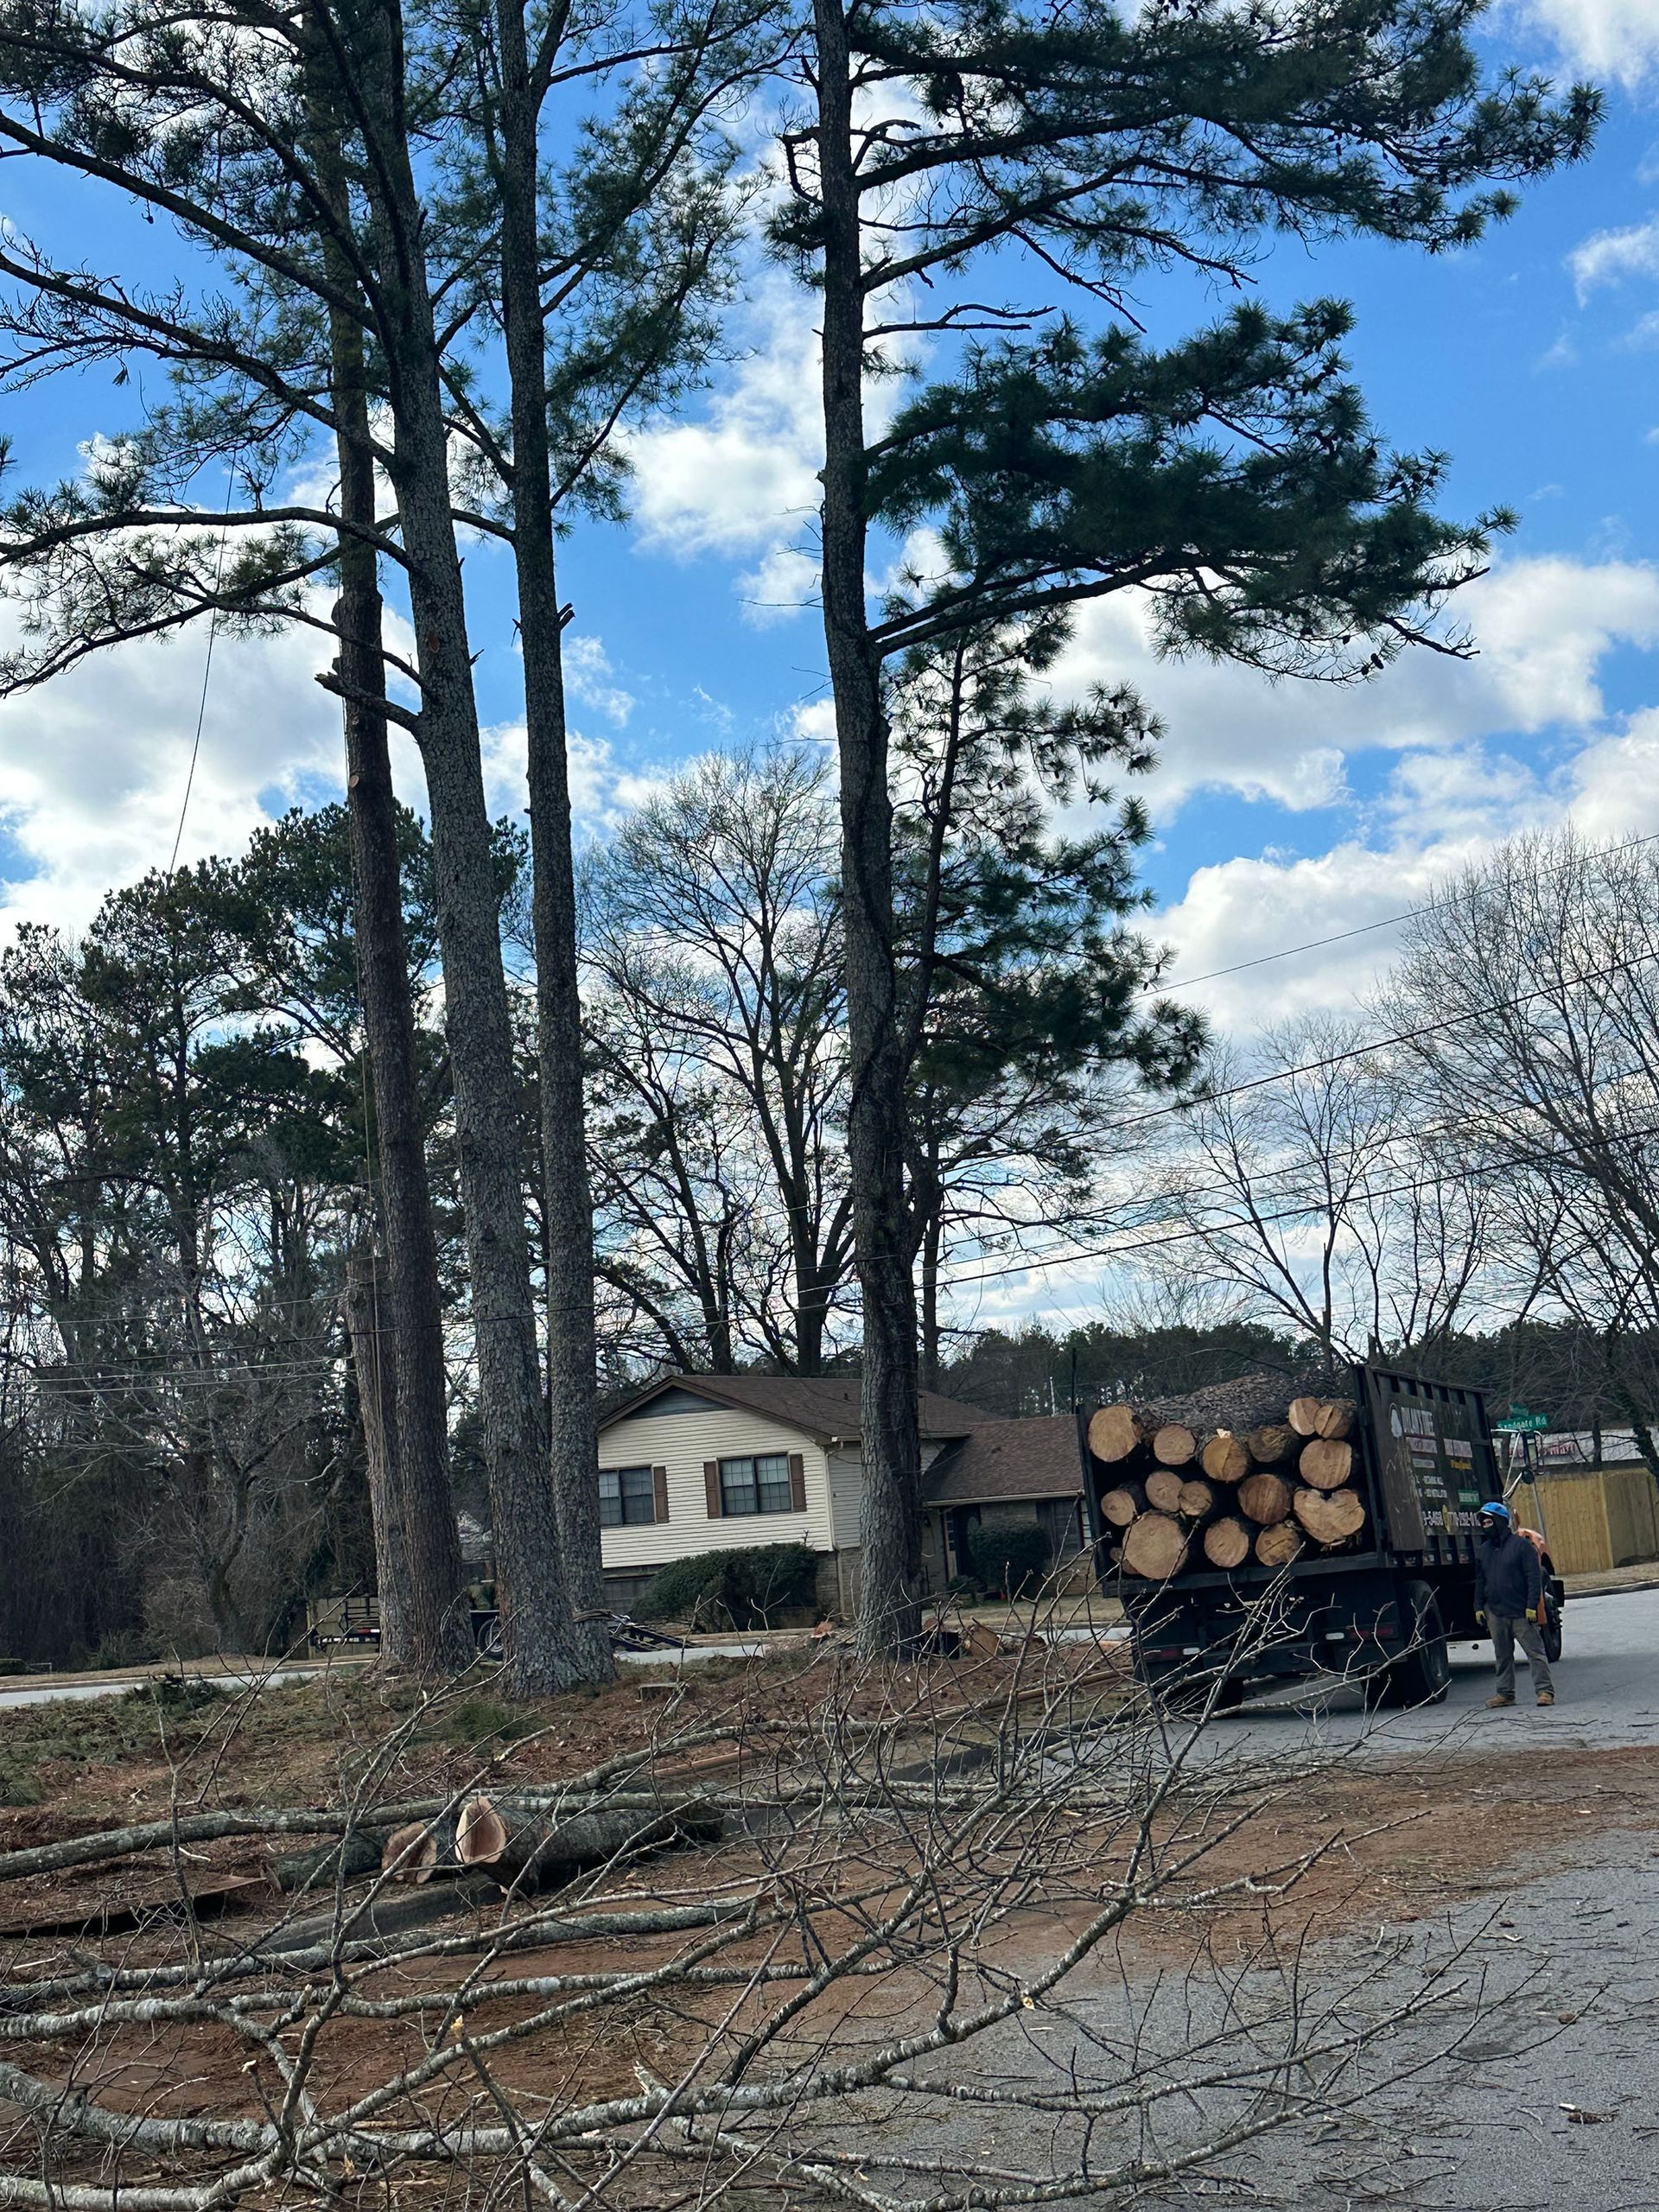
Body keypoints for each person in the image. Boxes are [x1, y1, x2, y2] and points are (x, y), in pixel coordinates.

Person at [1473, 1501, 1556, 1708]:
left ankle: (1545, 1691)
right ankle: (1505, 1694)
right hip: (1495, 1612)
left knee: (1535, 1652)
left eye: (1489, 1520)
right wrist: (1478, 1607)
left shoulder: (1522, 1547)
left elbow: (1533, 1577)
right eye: (1482, 1522)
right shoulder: (1484, 1551)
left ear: (1501, 1522)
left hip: (1520, 1611)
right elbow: (1480, 1580)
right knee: (1502, 1655)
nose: (1485, 1525)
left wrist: (1532, 1605)